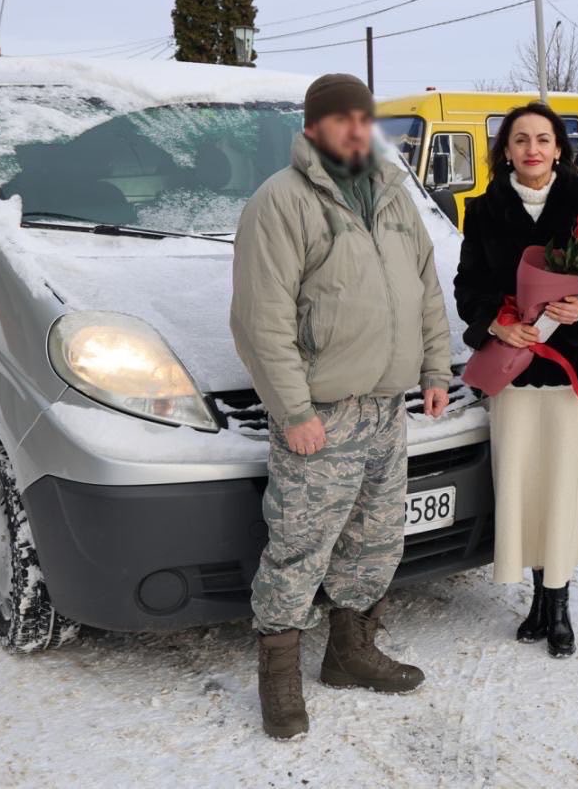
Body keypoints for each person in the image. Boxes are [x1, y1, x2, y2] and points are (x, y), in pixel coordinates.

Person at [230, 73, 452, 740]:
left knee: (375, 540)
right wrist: (294, 410)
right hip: (323, 413)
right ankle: (279, 680)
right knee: (299, 547)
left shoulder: (393, 195)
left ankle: (350, 653)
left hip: (386, 407)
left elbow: (425, 290)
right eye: (341, 119)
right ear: (313, 129)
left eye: (364, 117)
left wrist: (434, 368)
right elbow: (261, 320)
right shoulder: (281, 201)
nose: (356, 130)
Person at [454, 102, 578, 658]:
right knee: (525, 483)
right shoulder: (484, 210)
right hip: (514, 369)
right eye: (520, 140)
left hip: (571, 367)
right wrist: (495, 323)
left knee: (564, 483)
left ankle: (557, 603)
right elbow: (468, 285)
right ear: (506, 151)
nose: (531, 149)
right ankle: (537, 596)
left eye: (542, 139)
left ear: (558, 149)